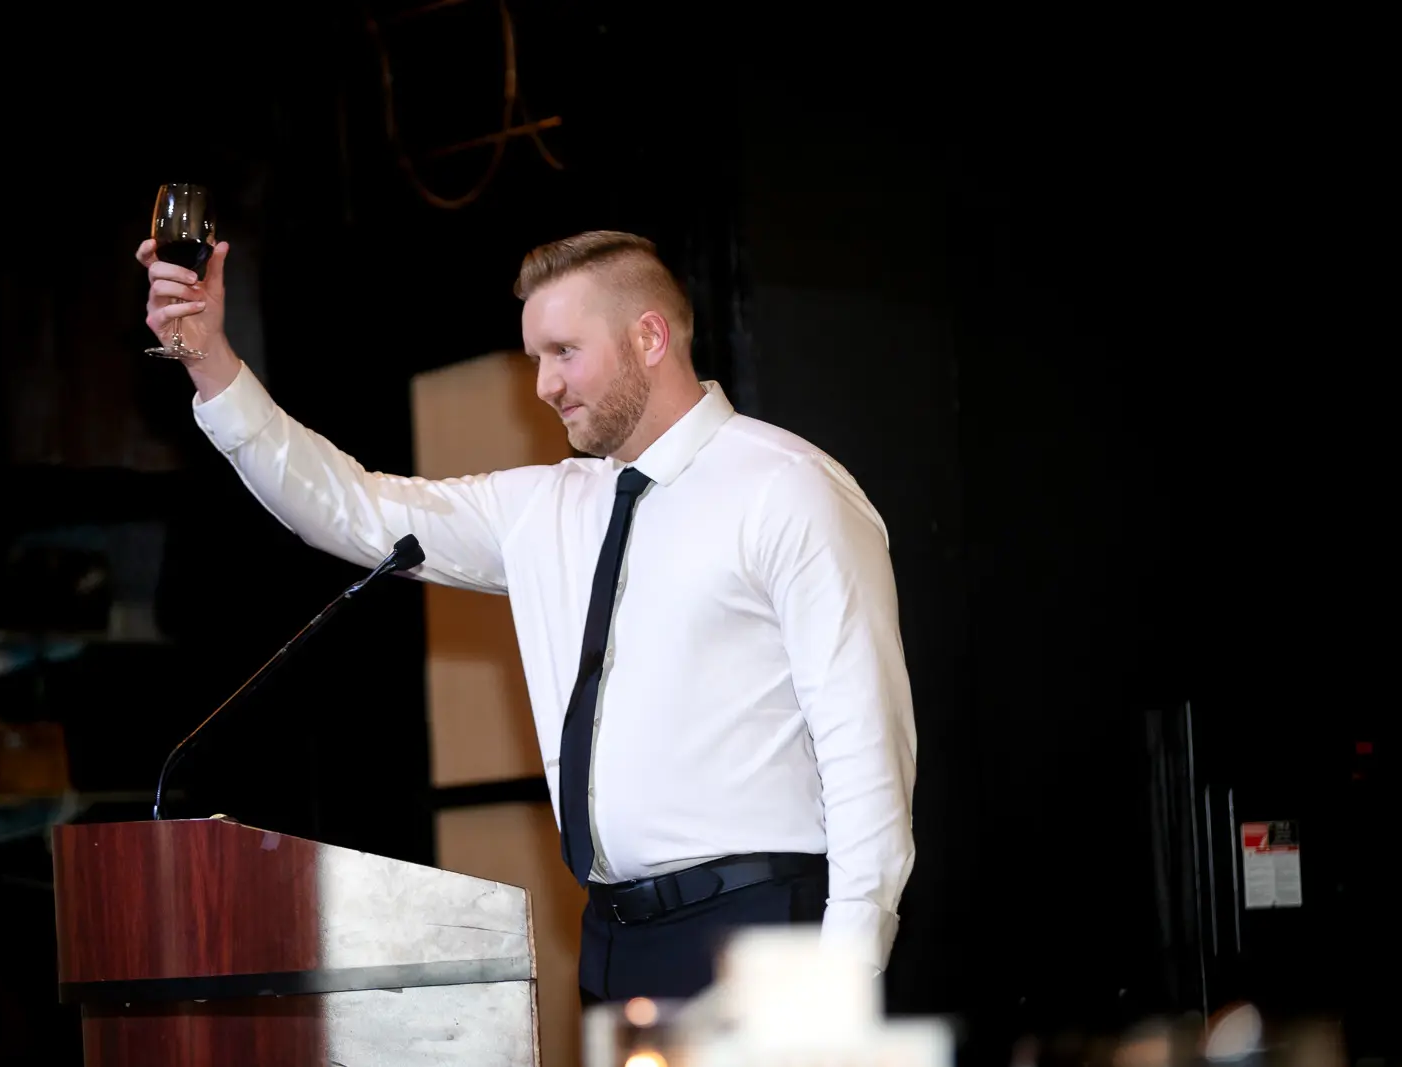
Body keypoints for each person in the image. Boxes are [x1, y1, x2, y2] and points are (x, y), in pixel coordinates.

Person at [136, 230, 917, 1004]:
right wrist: (208, 360)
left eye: (564, 351)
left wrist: (841, 980)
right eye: (535, 357)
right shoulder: (548, 507)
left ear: (649, 337)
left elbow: (865, 746)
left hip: (764, 928)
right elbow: (351, 505)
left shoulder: (787, 488)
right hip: (614, 941)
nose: (543, 384)